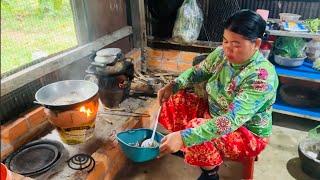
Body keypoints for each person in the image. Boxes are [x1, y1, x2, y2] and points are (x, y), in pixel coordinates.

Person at [158, 9, 278, 180]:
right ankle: (187, 148)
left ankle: (210, 172)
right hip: (214, 112)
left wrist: (184, 136)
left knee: (195, 128)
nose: (228, 49)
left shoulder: (261, 77)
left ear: (256, 44)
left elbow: (231, 120)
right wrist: (174, 85)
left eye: (237, 45)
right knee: (176, 100)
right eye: (225, 41)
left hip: (245, 132)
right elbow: (197, 72)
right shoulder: (222, 54)